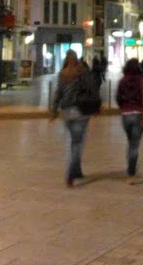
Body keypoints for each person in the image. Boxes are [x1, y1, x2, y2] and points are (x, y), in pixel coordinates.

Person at [50, 50, 94, 187]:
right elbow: (91, 89)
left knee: (74, 141)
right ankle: (71, 173)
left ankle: (77, 170)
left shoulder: (62, 74)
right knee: (78, 142)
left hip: (67, 111)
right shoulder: (82, 72)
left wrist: (54, 109)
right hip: (81, 110)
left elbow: (58, 93)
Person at [115, 58, 143, 184]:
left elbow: (118, 97)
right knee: (134, 144)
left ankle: (130, 167)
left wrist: (124, 107)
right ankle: (131, 173)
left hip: (126, 115)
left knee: (130, 141)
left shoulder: (122, 80)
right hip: (138, 114)